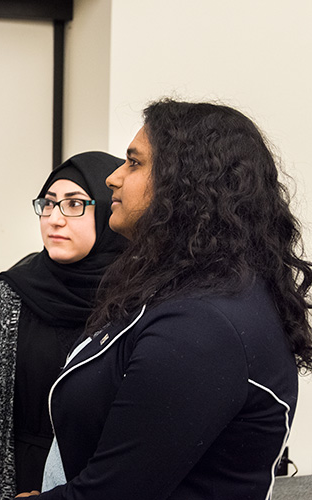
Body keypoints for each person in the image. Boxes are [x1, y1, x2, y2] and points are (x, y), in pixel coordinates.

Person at [22, 99, 312, 499]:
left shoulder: (204, 326)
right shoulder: (179, 288)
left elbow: (115, 494)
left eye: (134, 163)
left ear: (187, 182)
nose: (113, 178)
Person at [0, 152, 127, 499]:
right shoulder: (8, 296)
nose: (55, 220)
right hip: (17, 477)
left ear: (111, 210)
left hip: (103, 479)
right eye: (48, 205)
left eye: (75, 204)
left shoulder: (138, 298)